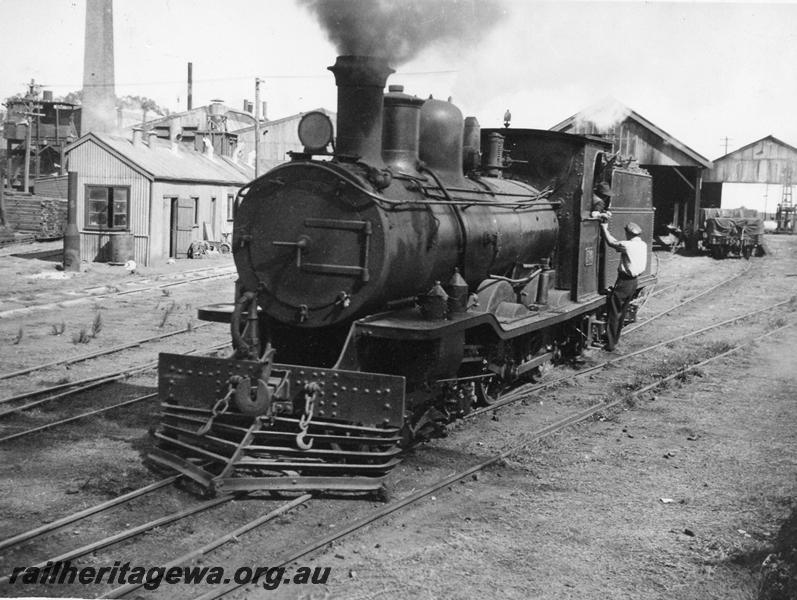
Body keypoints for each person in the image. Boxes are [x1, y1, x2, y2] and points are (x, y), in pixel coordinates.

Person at [600, 220, 647, 351]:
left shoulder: (627, 245)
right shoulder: (642, 245)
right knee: (622, 311)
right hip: (634, 282)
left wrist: (604, 229)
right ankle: (615, 339)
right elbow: (618, 244)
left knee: (614, 312)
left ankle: (609, 344)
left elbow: (611, 243)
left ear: (628, 234)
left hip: (624, 282)